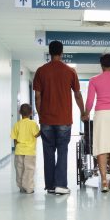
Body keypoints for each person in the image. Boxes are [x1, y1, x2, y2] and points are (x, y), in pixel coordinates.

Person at [33, 40, 86, 195]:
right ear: (62, 53)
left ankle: (50, 186)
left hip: (47, 121)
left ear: (50, 53)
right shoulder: (70, 71)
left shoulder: (41, 71)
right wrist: (82, 112)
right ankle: (61, 185)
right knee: (62, 151)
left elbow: (37, 97)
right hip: (64, 120)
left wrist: (41, 115)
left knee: (48, 152)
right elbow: (77, 95)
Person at [83, 53, 110, 192]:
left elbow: (90, 100)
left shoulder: (94, 80)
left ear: (101, 65)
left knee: (102, 148)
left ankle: (103, 181)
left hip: (101, 115)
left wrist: (85, 113)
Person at [11, 103, 40, 194]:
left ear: (19, 112)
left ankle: (21, 187)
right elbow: (36, 135)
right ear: (31, 113)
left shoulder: (17, 124)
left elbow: (15, 139)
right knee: (29, 169)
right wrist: (41, 131)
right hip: (30, 151)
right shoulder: (33, 124)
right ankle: (29, 188)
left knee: (19, 169)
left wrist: (17, 147)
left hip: (19, 151)